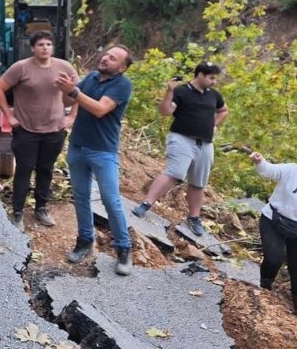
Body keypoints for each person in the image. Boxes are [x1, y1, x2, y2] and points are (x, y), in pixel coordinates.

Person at [55, 45, 134, 276]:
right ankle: (84, 241)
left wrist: (74, 92)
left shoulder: (122, 85)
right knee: (80, 197)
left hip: (103, 151)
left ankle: (123, 249)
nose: (106, 59)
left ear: (122, 67)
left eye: (113, 58)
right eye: (106, 54)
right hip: (78, 147)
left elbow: (100, 109)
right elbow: (66, 101)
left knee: (111, 200)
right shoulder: (90, 78)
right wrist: (65, 88)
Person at [0, 30, 78, 231]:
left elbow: (79, 92)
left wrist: (72, 116)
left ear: (52, 47)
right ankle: (18, 212)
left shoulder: (64, 67)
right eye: (40, 45)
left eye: (48, 44)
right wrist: (9, 116)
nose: (45, 48)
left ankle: (41, 208)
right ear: (33, 48)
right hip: (26, 130)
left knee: (46, 170)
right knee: (24, 170)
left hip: (55, 129)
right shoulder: (21, 68)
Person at [132, 62, 229, 235]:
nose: (214, 82)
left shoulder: (214, 95)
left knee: (199, 182)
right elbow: (165, 111)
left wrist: (214, 126)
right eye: (211, 78)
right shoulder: (181, 91)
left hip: (205, 143)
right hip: (182, 138)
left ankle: (194, 218)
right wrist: (169, 91)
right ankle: (146, 204)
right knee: (175, 173)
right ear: (200, 75)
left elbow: (223, 110)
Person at [250, 151, 297, 314]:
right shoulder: (291, 170)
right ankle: (265, 284)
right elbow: (269, 170)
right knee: (274, 259)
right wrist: (260, 161)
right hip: (273, 220)